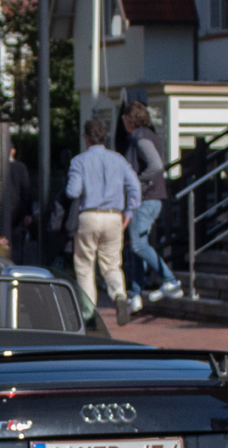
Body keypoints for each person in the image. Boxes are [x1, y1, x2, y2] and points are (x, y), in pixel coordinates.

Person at [65, 114, 141, 327]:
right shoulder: (118, 160)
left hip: (89, 214)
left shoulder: (79, 161)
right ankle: (119, 295)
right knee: (111, 264)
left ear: (86, 138)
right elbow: (135, 187)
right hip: (114, 215)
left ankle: (89, 312)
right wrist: (129, 212)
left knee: (84, 265)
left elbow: (73, 191)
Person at [118, 96, 179, 310]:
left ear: (128, 119)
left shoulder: (140, 138)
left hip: (147, 198)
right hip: (151, 198)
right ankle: (135, 294)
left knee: (137, 244)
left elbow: (155, 165)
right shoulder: (148, 135)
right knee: (137, 246)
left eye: (124, 119)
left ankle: (170, 280)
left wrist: (137, 179)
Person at [1, 137, 36, 266]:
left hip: (1, 213)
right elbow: (26, 191)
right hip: (18, 214)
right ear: (13, 151)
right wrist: (28, 213)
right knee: (17, 248)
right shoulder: (20, 168)